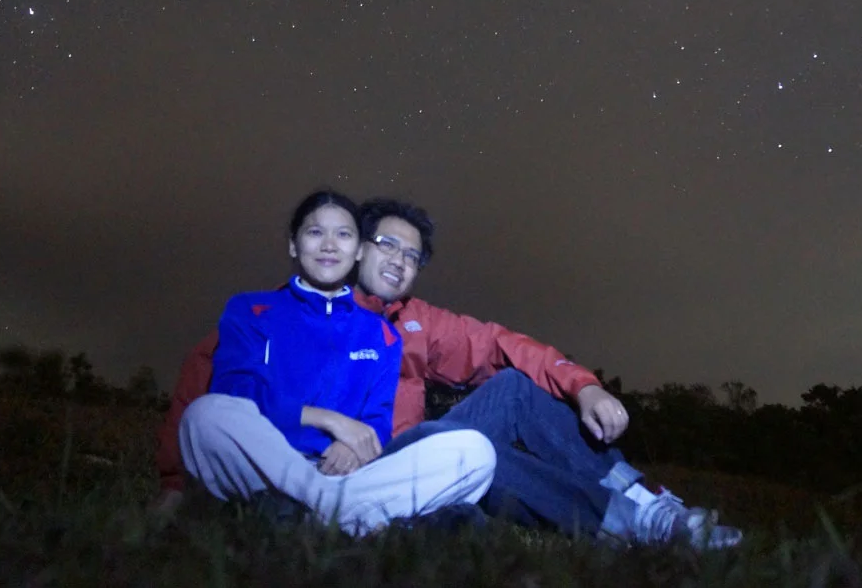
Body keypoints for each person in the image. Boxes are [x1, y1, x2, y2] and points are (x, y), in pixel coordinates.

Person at [158, 197, 741, 549]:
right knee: (465, 478)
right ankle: (625, 528)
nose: (399, 261)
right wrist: (173, 487)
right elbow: (207, 386)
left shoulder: (415, 324)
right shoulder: (280, 311)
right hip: (322, 460)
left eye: (412, 256)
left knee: (509, 389)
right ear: (356, 248)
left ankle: (647, 505)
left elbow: (500, 344)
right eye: (387, 244)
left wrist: (582, 383)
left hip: (402, 452)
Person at [176, 190, 496, 536]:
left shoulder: (382, 334)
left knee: (475, 452)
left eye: (343, 234)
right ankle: (349, 517)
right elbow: (235, 392)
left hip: (348, 475)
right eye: (315, 233)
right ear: (293, 245)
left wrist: (353, 448)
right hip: (267, 460)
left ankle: (307, 512)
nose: (329, 245)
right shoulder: (251, 310)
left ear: (358, 250)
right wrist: (330, 422)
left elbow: (377, 420)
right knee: (205, 416)